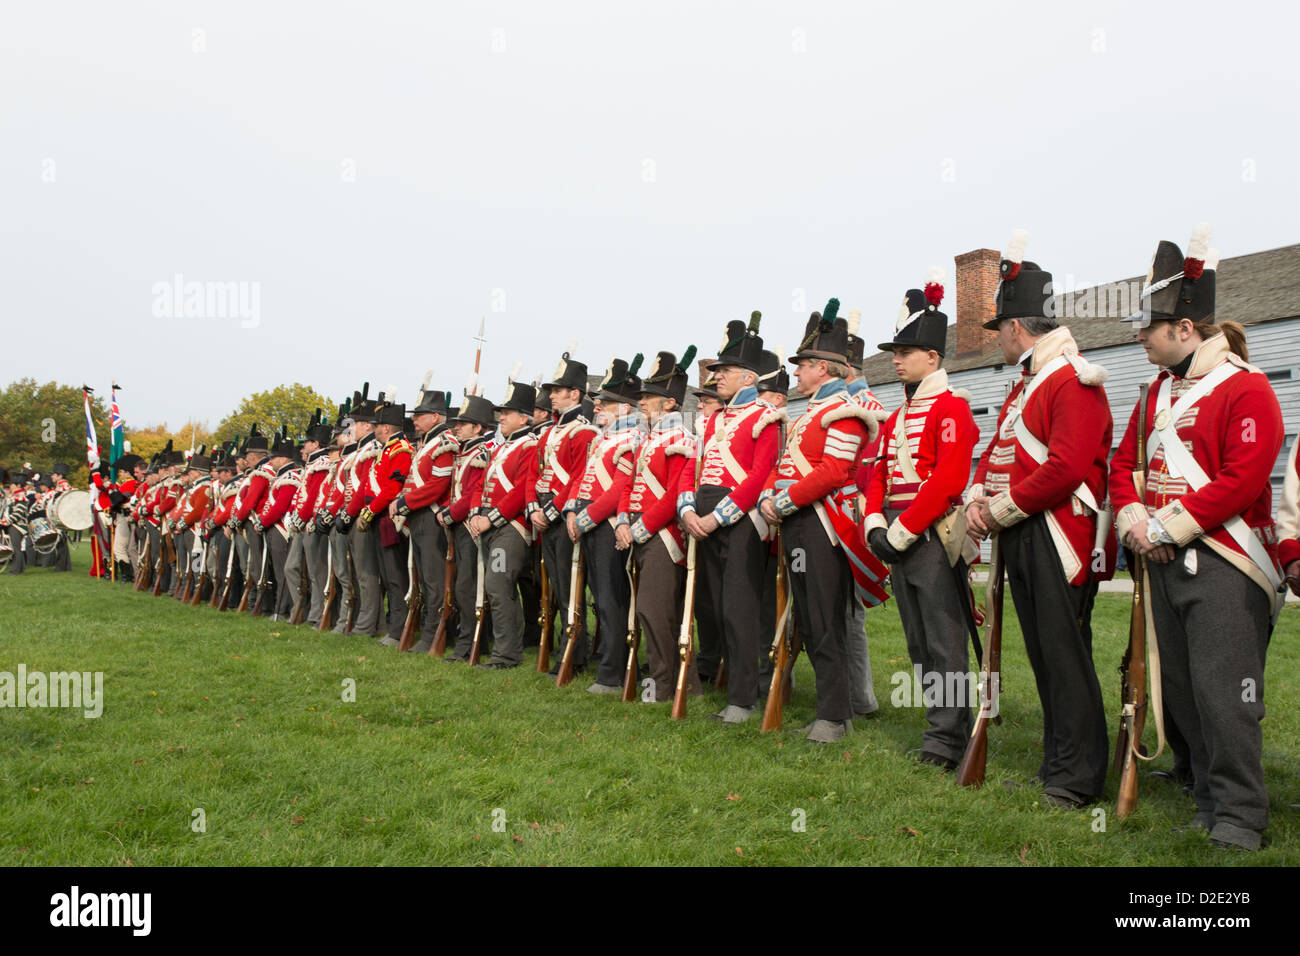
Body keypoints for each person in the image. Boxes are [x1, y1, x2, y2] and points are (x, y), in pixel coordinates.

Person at [1109, 224, 1283, 851]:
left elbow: (1242, 480)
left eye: (1149, 326)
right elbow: (1123, 466)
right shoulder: (1155, 392)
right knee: (1179, 689)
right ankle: (1207, 799)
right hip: (1159, 558)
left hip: (1224, 564)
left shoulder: (1247, 389)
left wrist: (1165, 527)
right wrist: (1132, 521)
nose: (1139, 336)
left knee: (1224, 694)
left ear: (1185, 329)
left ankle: (1240, 814)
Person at [966, 231, 1116, 808]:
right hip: (1024, 531)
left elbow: (1066, 467)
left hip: (1058, 534)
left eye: (999, 327)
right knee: (1043, 655)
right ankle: (1057, 768)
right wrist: (980, 499)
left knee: (1064, 655)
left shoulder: (1072, 379)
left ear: (1017, 326)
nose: (998, 337)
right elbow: (998, 454)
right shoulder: (1027, 383)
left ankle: (1078, 779)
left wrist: (997, 510)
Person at [864, 273, 979, 770]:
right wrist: (873, 522)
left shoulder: (952, 409)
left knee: (943, 638)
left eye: (905, 351)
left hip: (929, 534)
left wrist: (903, 530)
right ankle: (938, 723)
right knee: (916, 639)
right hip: (895, 531)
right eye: (896, 351)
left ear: (932, 358)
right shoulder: (893, 419)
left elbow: (948, 479)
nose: (896, 359)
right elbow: (877, 473)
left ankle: (949, 737)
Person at [761, 300, 880, 743]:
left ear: (824, 368)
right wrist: (774, 497)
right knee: (809, 621)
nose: (796, 372)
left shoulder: (845, 412)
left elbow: (833, 472)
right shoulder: (809, 412)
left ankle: (836, 715)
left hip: (823, 527)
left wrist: (785, 500)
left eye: (804, 364)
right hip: (797, 522)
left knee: (826, 621)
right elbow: (784, 466)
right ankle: (831, 711)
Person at [677, 312, 779, 723]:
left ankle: (744, 698)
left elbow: (758, 476)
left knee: (739, 610)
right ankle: (727, 681)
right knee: (713, 608)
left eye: (727, 371)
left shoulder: (765, 417)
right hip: (700, 516)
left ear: (750, 378)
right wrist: (686, 509)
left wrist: (716, 519)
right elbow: (692, 467)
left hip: (737, 521)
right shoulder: (712, 420)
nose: (718, 377)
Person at [616, 347, 701, 702]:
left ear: (669, 403)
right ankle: (682, 683)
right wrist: (622, 519)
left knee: (657, 611)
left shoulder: (681, 440)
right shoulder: (648, 439)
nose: (642, 402)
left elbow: (672, 497)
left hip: (663, 536)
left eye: (649, 397)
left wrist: (640, 528)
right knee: (650, 612)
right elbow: (629, 485)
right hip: (637, 531)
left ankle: (667, 686)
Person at [568, 357, 646, 693]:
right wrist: (572, 510)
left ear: (625, 407)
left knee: (613, 600)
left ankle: (614, 671)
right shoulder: (602, 438)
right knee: (598, 598)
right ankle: (607, 660)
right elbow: (582, 479)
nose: (597, 404)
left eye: (606, 401)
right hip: (587, 523)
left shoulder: (630, 439)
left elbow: (619, 489)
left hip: (607, 524)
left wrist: (586, 518)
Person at [530, 351, 599, 674]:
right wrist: (533, 507)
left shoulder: (584, 432)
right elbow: (535, 472)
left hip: (561, 516)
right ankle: (565, 646)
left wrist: (552, 510)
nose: (551, 396)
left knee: (571, 588)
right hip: (543, 516)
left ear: (575, 394)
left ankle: (575, 650)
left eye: (558, 390)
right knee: (557, 586)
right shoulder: (548, 432)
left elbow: (580, 477)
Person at [469, 379, 540, 668]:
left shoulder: (529, 445)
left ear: (524, 417)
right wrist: (475, 512)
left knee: (499, 586)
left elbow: (520, 491)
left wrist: (490, 519)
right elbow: (480, 484)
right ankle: (504, 648)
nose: (501, 417)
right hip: (488, 524)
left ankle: (507, 654)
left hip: (510, 529)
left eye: (507, 413)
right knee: (494, 587)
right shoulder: (500, 449)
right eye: (501, 412)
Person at [443, 393, 496, 662]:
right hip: (459, 525)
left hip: (469, 526)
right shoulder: (465, 451)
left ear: (478, 428)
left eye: (464, 423)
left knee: (468, 587)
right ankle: (477, 640)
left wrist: (450, 513)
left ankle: (469, 642)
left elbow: (474, 492)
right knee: (462, 586)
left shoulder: (481, 453)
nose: (457, 427)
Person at [360, 393, 414, 645]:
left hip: (388, 521)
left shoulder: (401, 450)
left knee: (396, 577)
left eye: (377, 425)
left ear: (385, 427)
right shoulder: (388, 449)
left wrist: (370, 511)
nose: (374, 429)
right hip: (379, 519)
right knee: (387, 575)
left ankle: (400, 630)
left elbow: (393, 488)